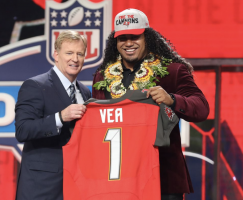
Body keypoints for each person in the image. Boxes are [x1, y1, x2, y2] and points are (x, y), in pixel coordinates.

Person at [92, 8, 209, 200]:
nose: (129, 43)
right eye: (123, 38)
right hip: (119, 177)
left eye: (135, 37)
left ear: (147, 37)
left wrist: (172, 99)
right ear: (115, 41)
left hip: (163, 177)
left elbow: (202, 108)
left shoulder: (172, 71)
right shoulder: (102, 76)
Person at [15, 30, 91, 200]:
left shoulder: (85, 92)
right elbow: (23, 130)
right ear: (56, 55)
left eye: (80, 54)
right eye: (69, 53)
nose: (75, 59)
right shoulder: (34, 85)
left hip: (76, 184)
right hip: (42, 186)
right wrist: (60, 117)